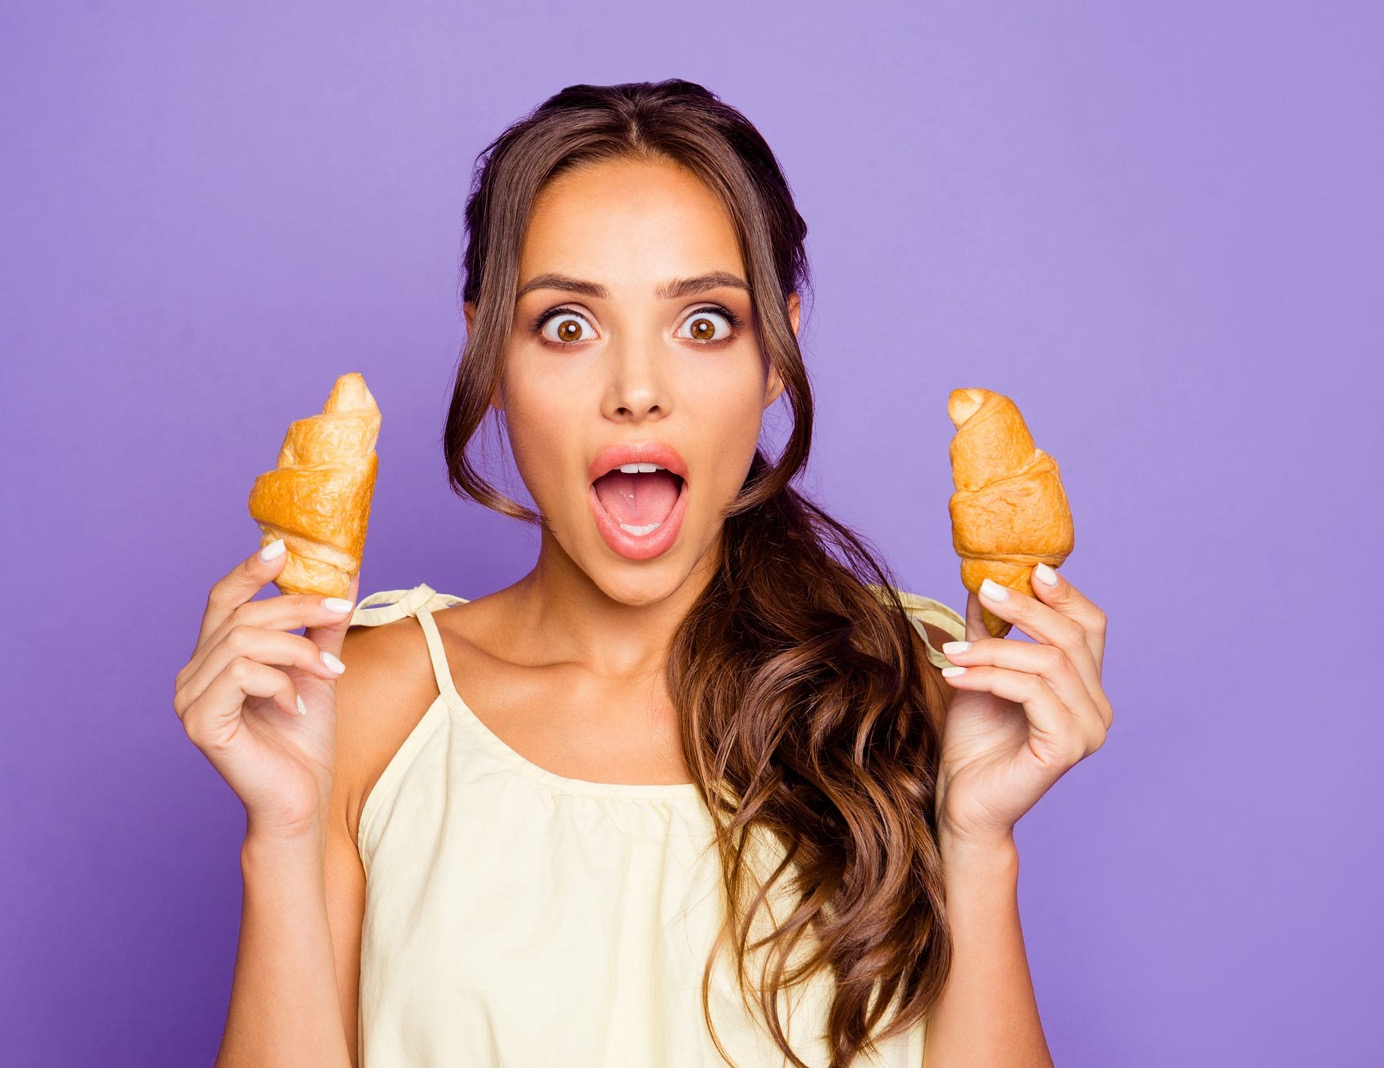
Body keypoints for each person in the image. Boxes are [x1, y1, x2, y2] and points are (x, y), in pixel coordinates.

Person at [173, 80, 1112, 1068]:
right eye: (566, 325)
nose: (635, 392)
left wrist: (976, 838)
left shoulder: (912, 686)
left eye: (703, 322)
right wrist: (280, 835)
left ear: (777, 354)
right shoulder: (361, 705)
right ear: (487, 350)